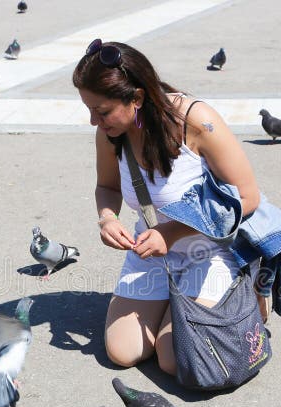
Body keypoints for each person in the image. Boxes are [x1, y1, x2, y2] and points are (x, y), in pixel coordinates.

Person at [73, 39, 266, 375]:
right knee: (123, 352)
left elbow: (248, 197)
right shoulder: (111, 132)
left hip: (209, 252)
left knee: (175, 358)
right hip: (151, 251)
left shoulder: (196, 120)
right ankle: (174, 307)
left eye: (101, 111)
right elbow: (106, 187)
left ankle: (246, 290)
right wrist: (107, 218)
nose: (94, 122)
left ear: (136, 98)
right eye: (89, 110)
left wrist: (172, 232)